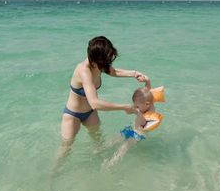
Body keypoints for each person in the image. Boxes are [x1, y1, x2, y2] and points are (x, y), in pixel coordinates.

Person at [55, 36, 150, 165]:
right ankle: (51, 176)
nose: (108, 63)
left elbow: (112, 71)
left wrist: (134, 73)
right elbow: (95, 102)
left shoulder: (98, 65)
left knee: (99, 146)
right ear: (95, 59)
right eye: (106, 60)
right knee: (65, 150)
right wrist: (125, 107)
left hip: (90, 113)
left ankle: (100, 170)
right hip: (73, 115)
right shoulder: (84, 71)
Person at [102, 79, 164, 170]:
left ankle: (110, 164)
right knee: (115, 139)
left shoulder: (150, 110)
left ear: (147, 104)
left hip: (137, 135)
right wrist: (147, 82)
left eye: (137, 106)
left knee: (122, 149)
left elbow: (143, 123)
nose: (136, 107)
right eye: (135, 106)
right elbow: (149, 92)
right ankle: (100, 149)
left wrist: (137, 112)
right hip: (131, 130)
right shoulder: (148, 101)